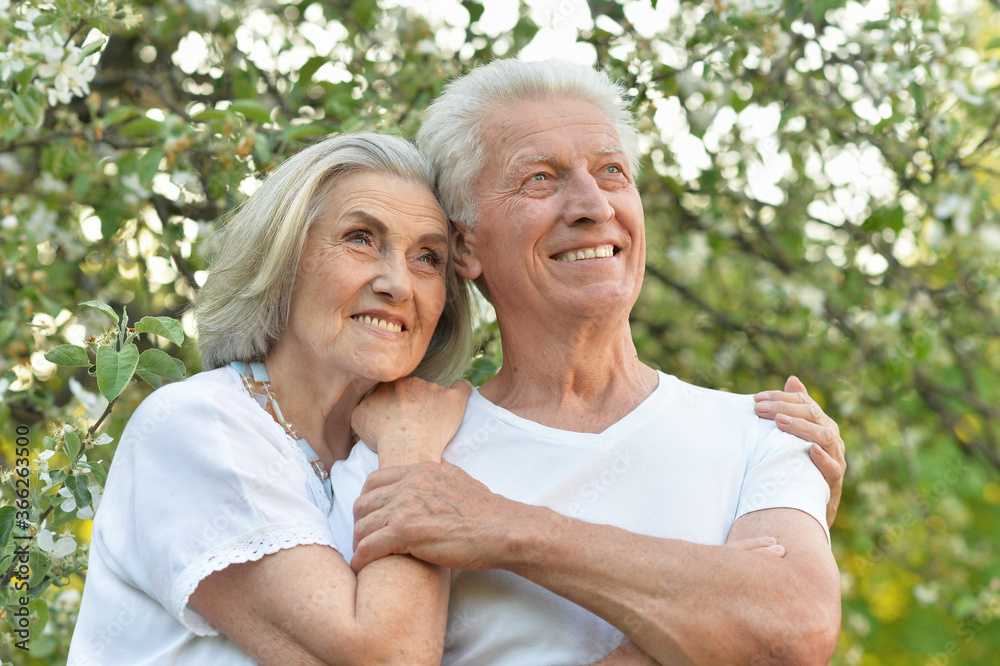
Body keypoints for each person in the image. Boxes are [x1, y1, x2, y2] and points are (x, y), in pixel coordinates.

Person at [335, 59, 844, 665]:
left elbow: (795, 632)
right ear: (466, 246)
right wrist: (709, 623)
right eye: (540, 179)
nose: (592, 205)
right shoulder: (403, 453)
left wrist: (505, 528)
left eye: (611, 172)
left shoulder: (766, 433)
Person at [68, 133, 477, 665]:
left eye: (428, 257)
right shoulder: (197, 424)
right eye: (360, 238)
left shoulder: (385, 442)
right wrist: (411, 447)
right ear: (283, 260)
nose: (398, 283)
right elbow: (385, 657)